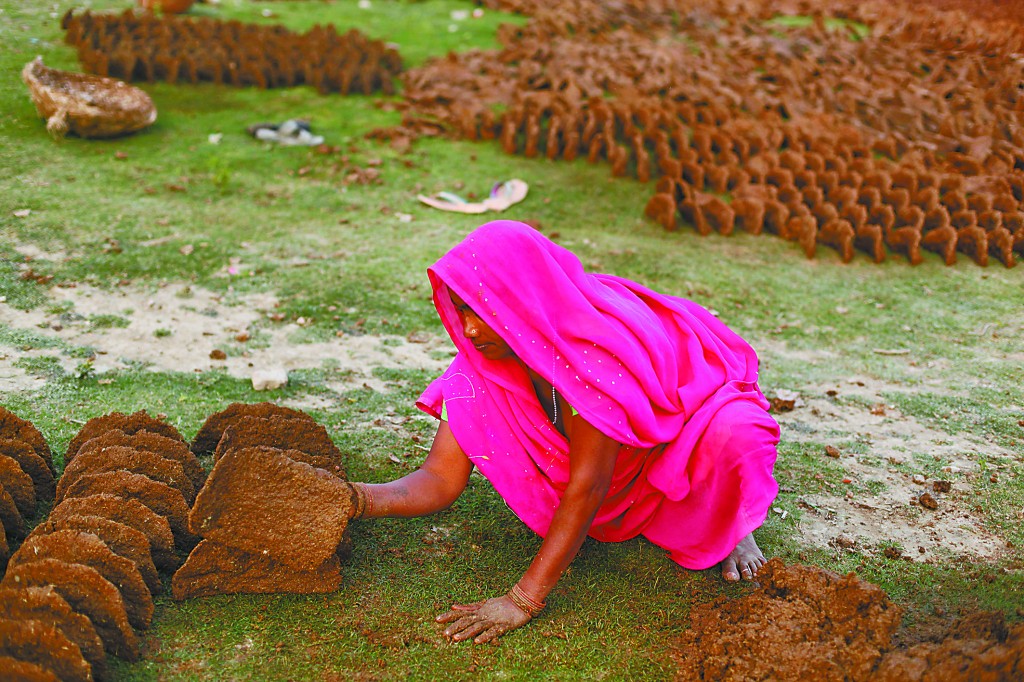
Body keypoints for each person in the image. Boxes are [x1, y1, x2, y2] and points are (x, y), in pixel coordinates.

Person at [346, 220, 780, 644]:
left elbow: (588, 486)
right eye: (461, 310)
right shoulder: (481, 367)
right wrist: (354, 499)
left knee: (735, 435)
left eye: (482, 312)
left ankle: (736, 521)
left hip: (678, 430)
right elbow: (439, 479)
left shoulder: (591, 363)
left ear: (523, 303)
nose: (471, 330)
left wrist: (523, 600)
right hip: (604, 469)